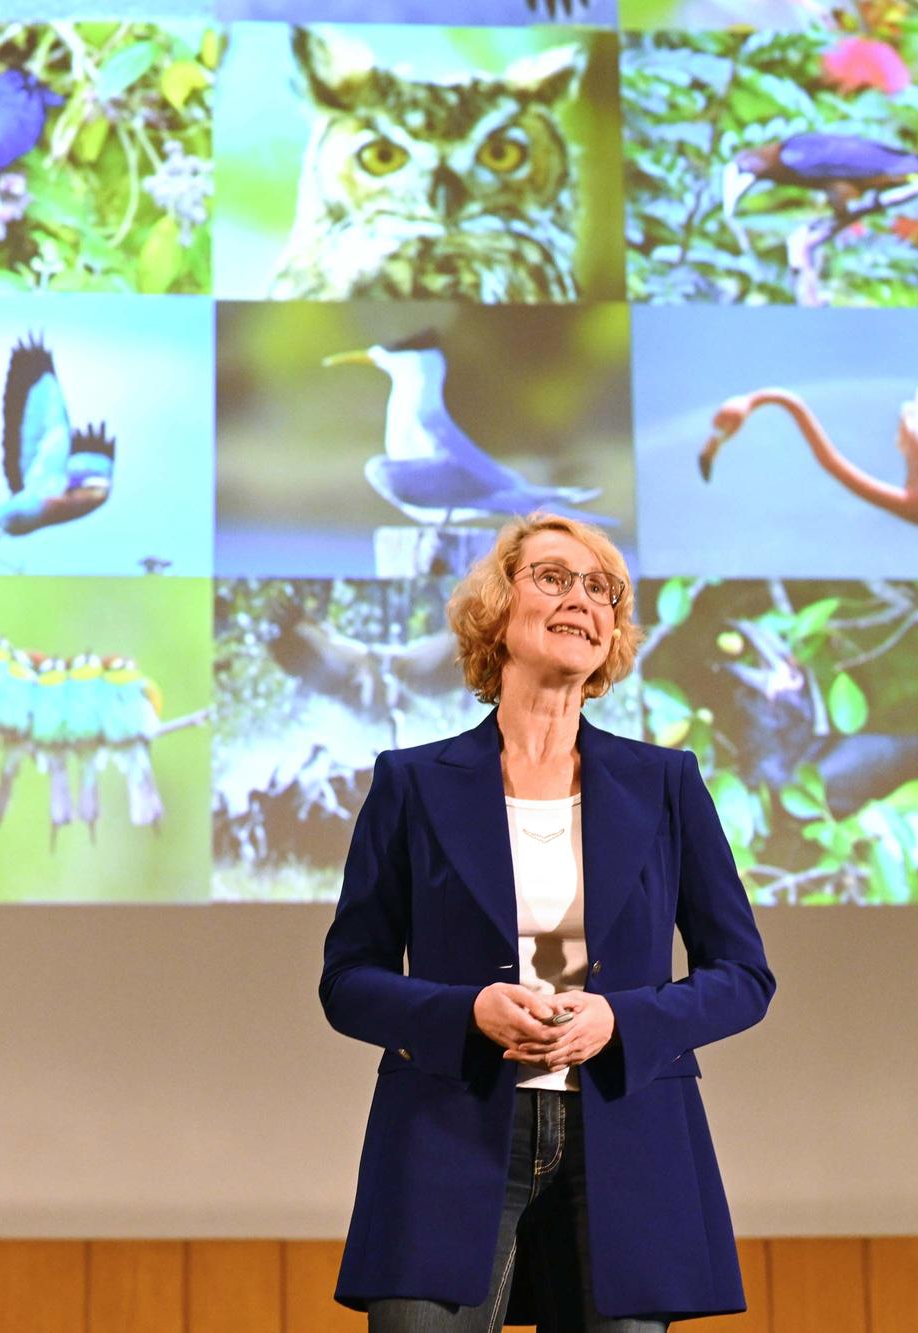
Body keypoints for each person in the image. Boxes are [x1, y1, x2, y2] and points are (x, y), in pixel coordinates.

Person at [320, 513, 775, 1331]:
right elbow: (349, 981)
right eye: (555, 578)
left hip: (627, 1140)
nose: (584, 600)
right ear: (497, 610)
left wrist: (621, 1018)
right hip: (446, 1134)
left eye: (603, 589)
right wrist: (465, 1011)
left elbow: (743, 977)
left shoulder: (667, 782)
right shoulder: (411, 783)